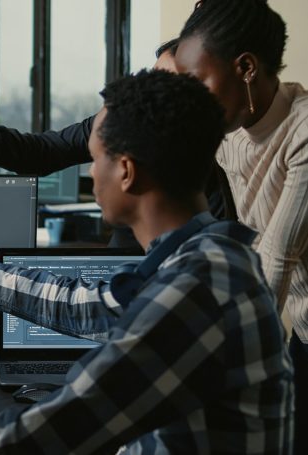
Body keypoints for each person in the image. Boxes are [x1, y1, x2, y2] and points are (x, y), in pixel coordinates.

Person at [0, 70, 293, 454]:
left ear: (126, 172)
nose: (90, 172)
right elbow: (80, 305)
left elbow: (47, 435)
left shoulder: (197, 291)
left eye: (93, 159)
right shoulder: (207, 261)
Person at [0, 39, 237, 250]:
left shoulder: (220, 157)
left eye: (169, 83)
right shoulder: (121, 122)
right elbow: (46, 149)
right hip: (123, 271)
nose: (153, 92)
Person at [173, 1, 308, 452]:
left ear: (246, 67)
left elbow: (277, 256)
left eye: (198, 83)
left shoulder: (303, 130)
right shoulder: (230, 130)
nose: (193, 100)